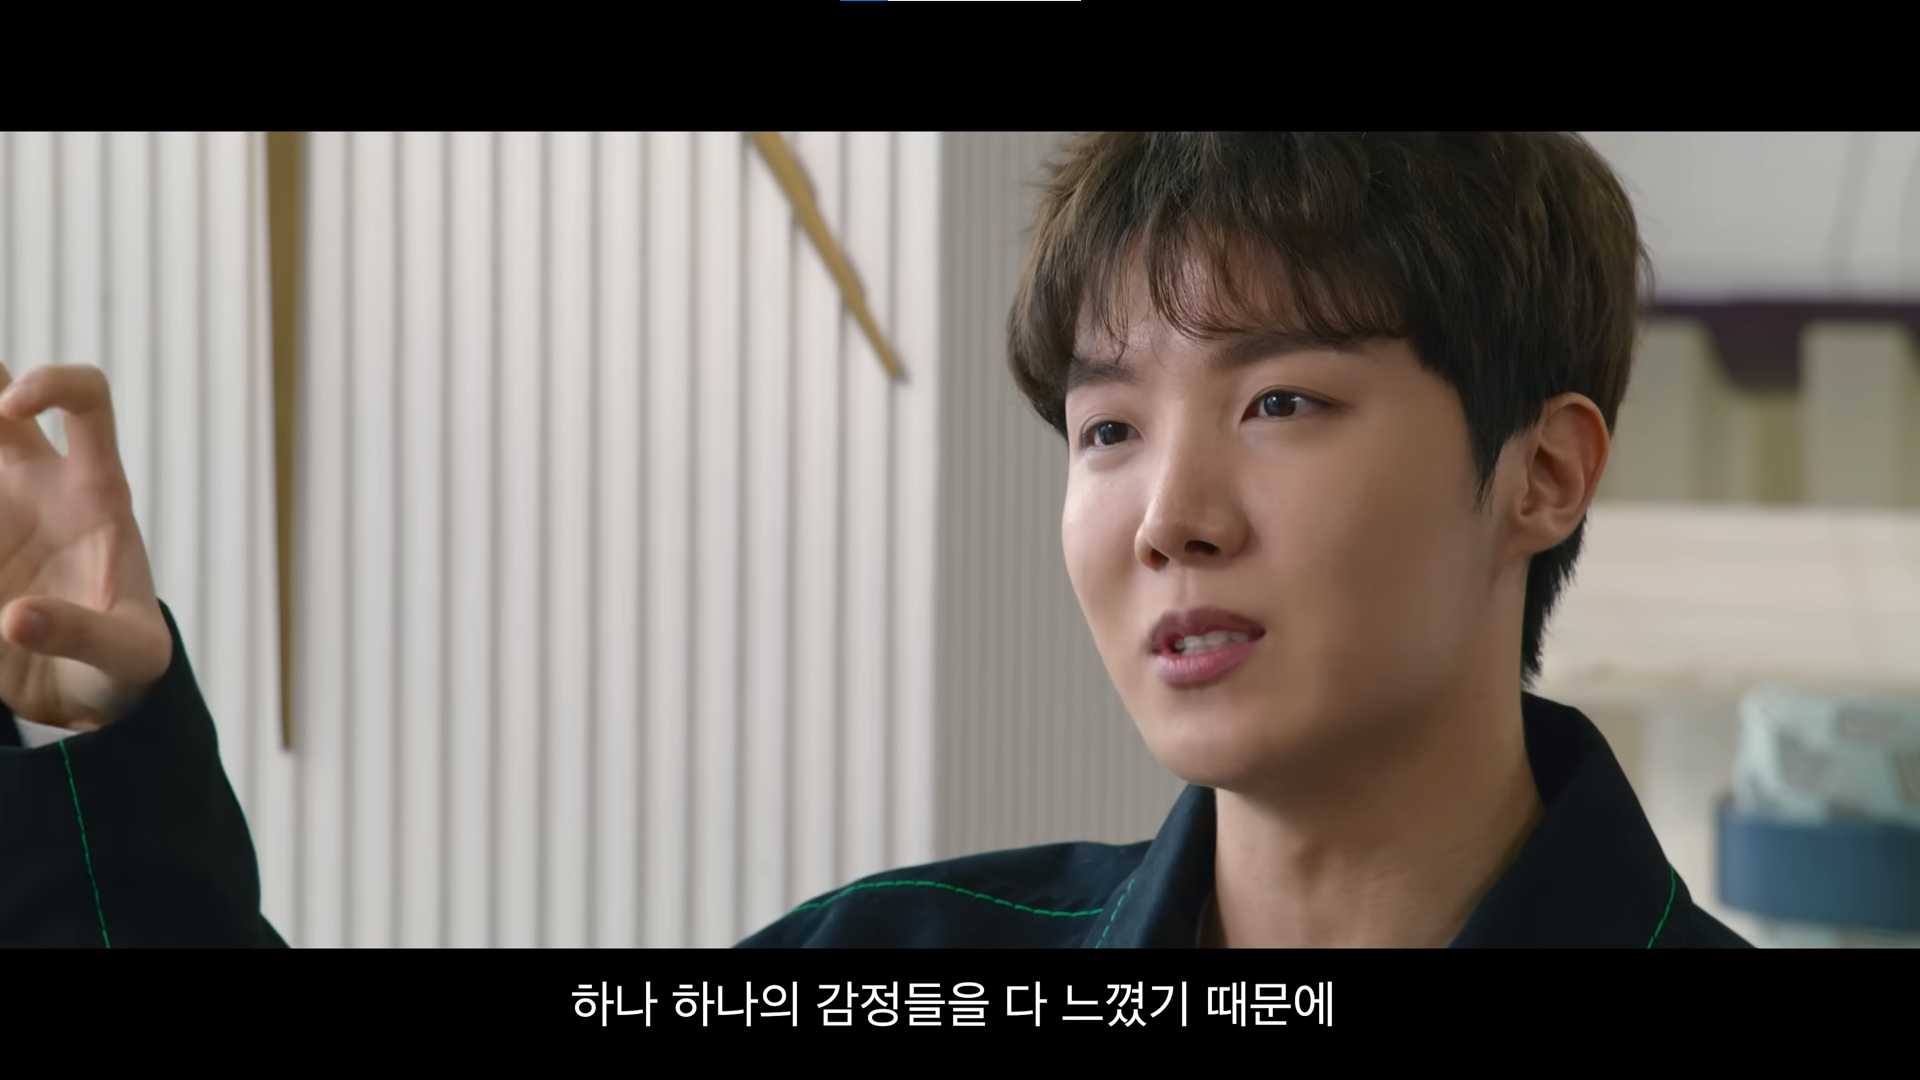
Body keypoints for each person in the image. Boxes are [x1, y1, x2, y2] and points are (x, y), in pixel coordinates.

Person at [0, 131, 1750, 949]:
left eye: (1281, 400)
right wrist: (102, 743)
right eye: (1108, 429)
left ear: (1543, 474)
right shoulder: (894, 966)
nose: (1170, 518)